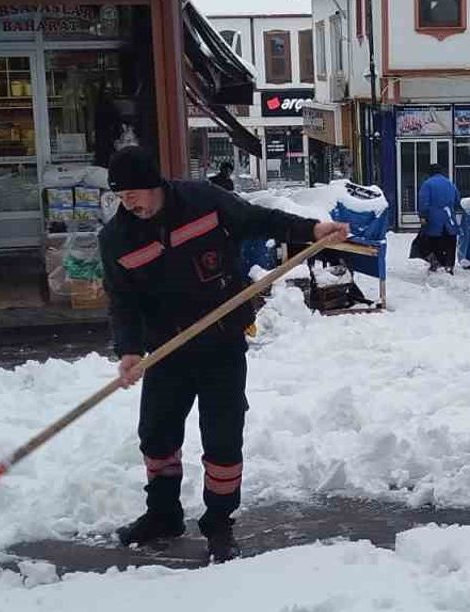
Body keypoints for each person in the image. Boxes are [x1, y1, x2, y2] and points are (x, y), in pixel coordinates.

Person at [99, 146, 347, 561]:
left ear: (154, 184)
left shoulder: (203, 201)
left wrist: (312, 229)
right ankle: (163, 514)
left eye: (133, 194)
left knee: (223, 437)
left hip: (221, 342)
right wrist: (128, 350)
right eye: (121, 197)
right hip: (166, 349)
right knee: (156, 436)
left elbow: (258, 219)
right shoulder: (117, 239)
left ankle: (219, 523)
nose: (129, 204)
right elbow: (121, 302)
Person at [415, 164, 461, 272]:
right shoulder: (450, 183)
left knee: (432, 243)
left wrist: (423, 216)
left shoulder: (427, 184)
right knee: (450, 243)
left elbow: (423, 202)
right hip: (449, 219)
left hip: (434, 220)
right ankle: (449, 265)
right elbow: (457, 200)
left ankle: (437, 262)